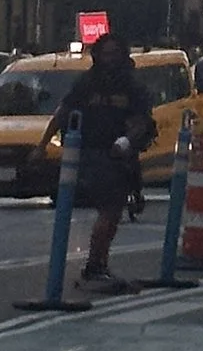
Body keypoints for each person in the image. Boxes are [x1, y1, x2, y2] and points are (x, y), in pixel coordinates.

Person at [57, 30, 153, 294]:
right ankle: (94, 266)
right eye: (105, 53)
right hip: (92, 153)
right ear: (97, 55)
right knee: (109, 211)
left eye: (114, 53)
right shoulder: (87, 83)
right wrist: (42, 145)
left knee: (113, 213)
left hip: (119, 154)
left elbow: (143, 120)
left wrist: (127, 141)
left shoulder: (131, 86)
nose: (109, 58)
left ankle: (99, 263)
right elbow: (64, 111)